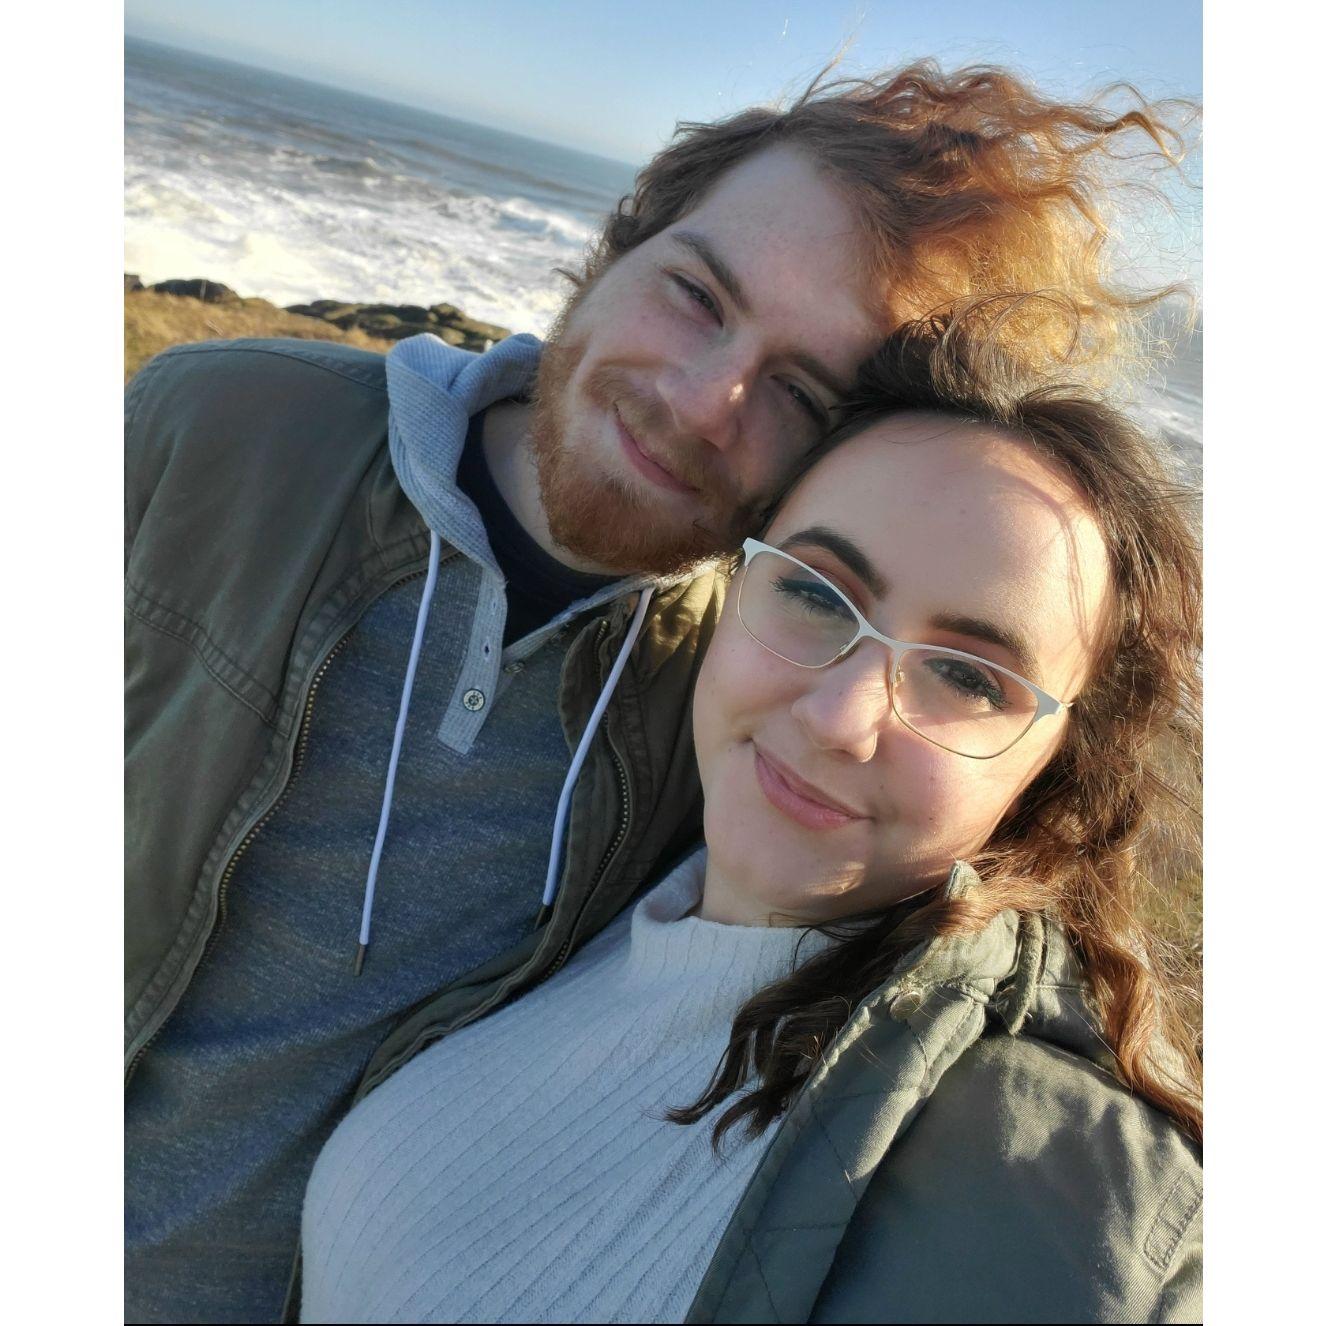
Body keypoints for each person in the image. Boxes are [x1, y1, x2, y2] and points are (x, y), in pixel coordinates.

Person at [124, 63, 1194, 1322]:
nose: (702, 399)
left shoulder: (749, 706)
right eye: (697, 296)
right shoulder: (225, 422)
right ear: (615, 242)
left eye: (800, 391)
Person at [300, 316, 1202, 1324]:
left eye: (963, 675)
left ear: (1054, 771)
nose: (837, 717)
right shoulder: (594, 881)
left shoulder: (1066, 1208)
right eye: (815, 594)